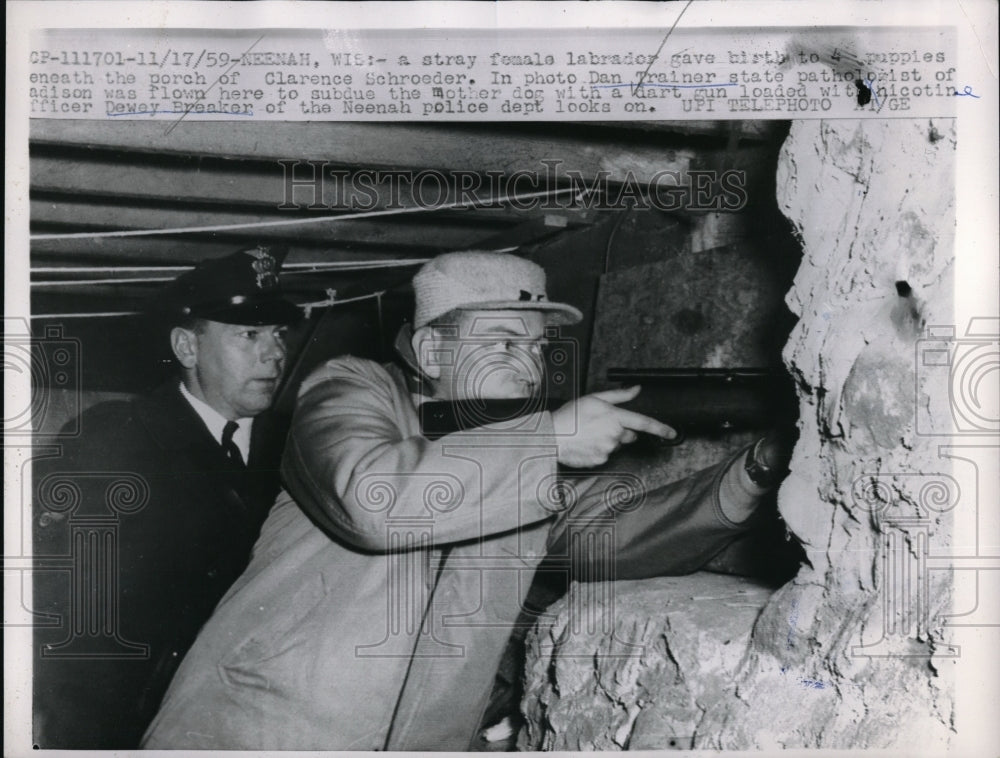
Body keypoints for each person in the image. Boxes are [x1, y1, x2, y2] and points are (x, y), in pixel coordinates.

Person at [142, 251, 790, 751]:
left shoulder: (510, 446)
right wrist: (552, 437)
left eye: (537, 349)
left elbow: (606, 537)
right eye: (504, 341)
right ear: (431, 349)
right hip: (257, 732)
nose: (530, 366)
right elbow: (373, 499)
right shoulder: (351, 388)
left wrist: (750, 477)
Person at [32, 246, 301, 748]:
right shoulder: (115, 441)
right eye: (249, 335)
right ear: (187, 348)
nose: (275, 353)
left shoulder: (295, 447)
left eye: (278, 334)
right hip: (141, 724)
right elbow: (74, 626)